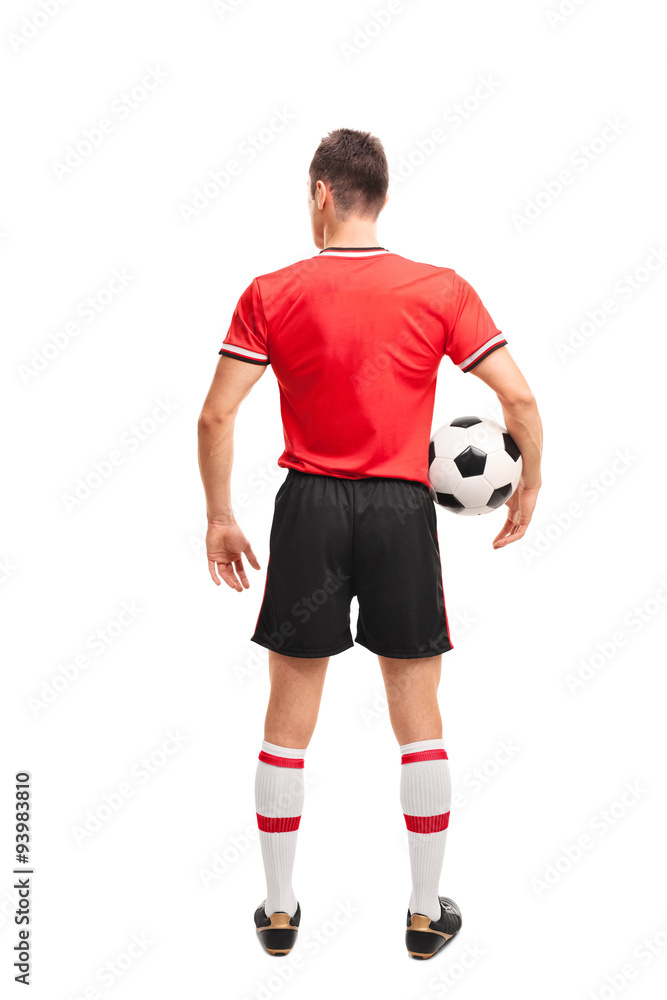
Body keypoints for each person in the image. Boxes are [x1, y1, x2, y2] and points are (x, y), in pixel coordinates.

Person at [198, 128, 543, 960]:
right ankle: (425, 915)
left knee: (287, 723)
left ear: (322, 193)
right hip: (399, 509)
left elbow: (216, 414)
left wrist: (219, 516)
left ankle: (278, 912)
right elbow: (519, 402)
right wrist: (527, 483)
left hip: (308, 508)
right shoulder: (439, 288)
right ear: (378, 195)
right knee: (417, 719)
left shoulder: (271, 290)